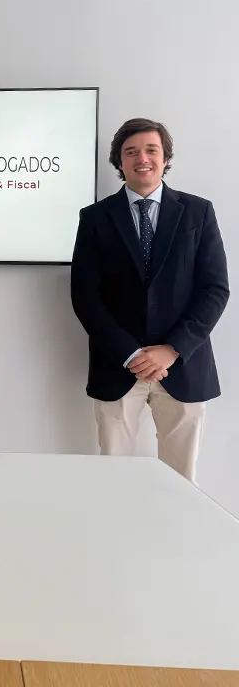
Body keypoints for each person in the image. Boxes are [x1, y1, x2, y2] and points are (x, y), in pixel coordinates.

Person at [71, 117, 229, 484]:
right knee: (112, 478)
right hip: (118, 365)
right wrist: (130, 354)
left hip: (183, 366)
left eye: (151, 150)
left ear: (165, 157)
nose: (142, 158)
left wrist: (172, 349)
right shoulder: (95, 218)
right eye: (131, 152)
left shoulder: (198, 212)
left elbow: (215, 289)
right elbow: (85, 295)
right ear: (120, 161)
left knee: (181, 481)